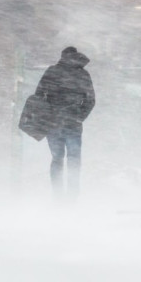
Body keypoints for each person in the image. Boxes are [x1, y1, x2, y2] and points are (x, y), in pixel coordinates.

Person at [35, 46, 95, 200]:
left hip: (53, 123)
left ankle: (57, 195)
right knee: (74, 159)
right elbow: (90, 100)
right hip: (73, 124)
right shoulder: (82, 74)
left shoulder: (52, 72)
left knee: (57, 158)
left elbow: (38, 96)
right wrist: (79, 116)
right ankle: (73, 195)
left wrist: (47, 115)